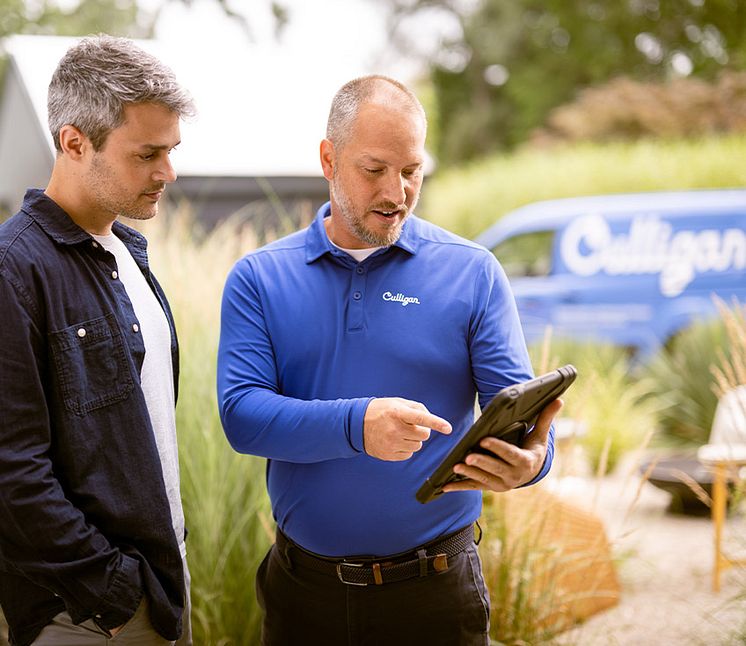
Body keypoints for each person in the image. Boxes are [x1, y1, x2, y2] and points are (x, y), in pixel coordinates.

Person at [217, 75, 562, 645]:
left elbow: (521, 419)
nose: (396, 192)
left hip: (436, 596)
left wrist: (534, 464)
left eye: (412, 170)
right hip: (305, 597)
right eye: (374, 170)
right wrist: (358, 426)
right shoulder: (259, 278)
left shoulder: (472, 272)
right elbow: (242, 416)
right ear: (329, 159)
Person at [0, 35, 196, 646]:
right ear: (74, 142)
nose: (168, 172)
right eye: (147, 154)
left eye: (172, 150)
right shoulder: (14, 270)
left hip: (158, 585)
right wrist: (112, 589)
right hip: (84, 613)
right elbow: (12, 469)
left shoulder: (125, 251)